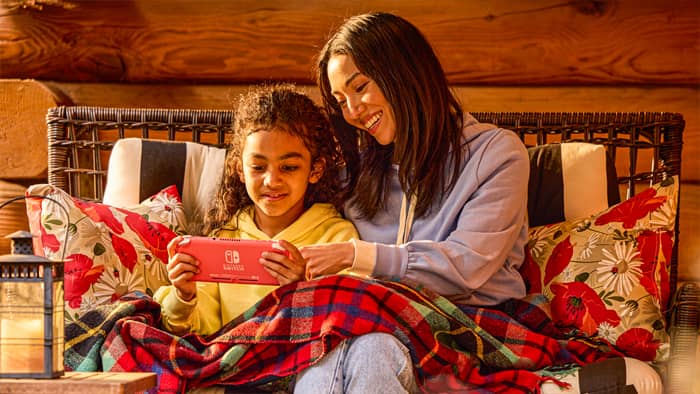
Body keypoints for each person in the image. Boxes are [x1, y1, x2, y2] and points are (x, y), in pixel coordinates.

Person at [292, 12, 530, 393]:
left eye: (360, 87)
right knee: (326, 358)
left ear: (404, 72)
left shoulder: (496, 154)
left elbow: (466, 267)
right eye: (341, 100)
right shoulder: (354, 170)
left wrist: (357, 255)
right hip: (373, 329)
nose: (352, 111)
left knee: (370, 351)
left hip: (466, 334)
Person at [153, 84, 359, 336]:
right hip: (233, 363)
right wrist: (184, 294)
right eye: (258, 167)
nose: (272, 180)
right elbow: (197, 330)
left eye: (289, 167)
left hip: (305, 367)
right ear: (240, 169)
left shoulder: (336, 239)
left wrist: (302, 291)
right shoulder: (225, 238)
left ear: (315, 170)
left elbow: (350, 321)